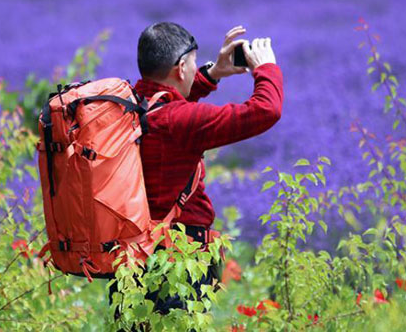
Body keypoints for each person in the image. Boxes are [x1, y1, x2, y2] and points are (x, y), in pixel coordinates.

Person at [108, 21, 284, 315]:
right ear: (180, 68)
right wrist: (266, 69)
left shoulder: (128, 106)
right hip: (177, 267)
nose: (194, 69)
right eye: (192, 64)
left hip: (129, 264)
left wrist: (213, 73)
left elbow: (165, 104)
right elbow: (266, 111)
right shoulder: (180, 121)